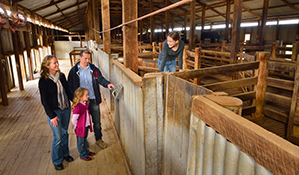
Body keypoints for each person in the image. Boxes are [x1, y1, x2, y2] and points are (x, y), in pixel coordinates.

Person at [68, 49, 115, 149]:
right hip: (81, 103)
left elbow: (100, 79)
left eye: (88, 59)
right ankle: (83, 142)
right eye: (85, 58)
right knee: (82, 124)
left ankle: (99, 139)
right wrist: (75, 101)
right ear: (79, 57)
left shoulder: (93, 69)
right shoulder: (74, 71)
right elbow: (70, 87)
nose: (87, 61)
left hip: (93, 99)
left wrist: (108, 84)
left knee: (97, 123)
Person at [38, 55, 74, 171]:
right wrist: (51, 115)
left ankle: (65, 154)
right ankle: (57, 160)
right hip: (54, 112)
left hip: (66, 108)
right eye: (54, 63)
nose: (57, 64)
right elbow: (44, 100)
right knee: (58, 137)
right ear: (47, 66)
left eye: (57, 62)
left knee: (64, 133)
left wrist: (76, 102)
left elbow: (67, 91)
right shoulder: (43, 81)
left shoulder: (62, 76)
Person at [71, 87, 96, 161]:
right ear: (80, 97)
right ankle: (82, 154)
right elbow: (74, 120)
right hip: (80, 128)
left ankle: (86, 151)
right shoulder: (78, 107)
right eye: (86, 95)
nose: (88, 96)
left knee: (85, 140)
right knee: (81, 142)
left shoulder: (85, 103)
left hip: (86, 126)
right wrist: (77, 126)